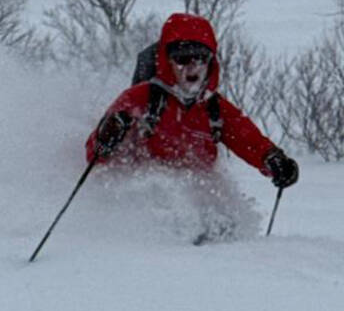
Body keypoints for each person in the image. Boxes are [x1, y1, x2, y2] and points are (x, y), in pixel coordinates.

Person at [85, 12, 299, 191]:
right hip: (143, 198)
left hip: (200, 198)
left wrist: (273, 160)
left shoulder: (215, 107)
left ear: (210, 62)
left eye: (200, 57)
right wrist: (106, 139)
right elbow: (94, 155)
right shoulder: (139, 98)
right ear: (167, 61)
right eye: (182, 58)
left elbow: (248, 141)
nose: (192, 66)